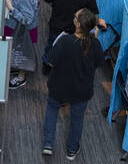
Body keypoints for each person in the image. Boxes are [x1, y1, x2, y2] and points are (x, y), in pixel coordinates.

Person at [41, 8, 104, 158]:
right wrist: (95, 39)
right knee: (77, 119)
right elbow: (100, 63)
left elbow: (50, 62)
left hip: (59, 87)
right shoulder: (95, 44)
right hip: (82, 90)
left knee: (52, 110)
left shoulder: (64, 41)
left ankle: (48, 144)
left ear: (76, 23)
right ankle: (72, 150)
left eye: (75, 16)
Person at [4, 0, 40, 90]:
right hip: (18, 27)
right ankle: (17, 67)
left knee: (24, 52)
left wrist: (11, 8)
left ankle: (21, 77)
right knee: (17, 50)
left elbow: (27, 19)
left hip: (22, 30)